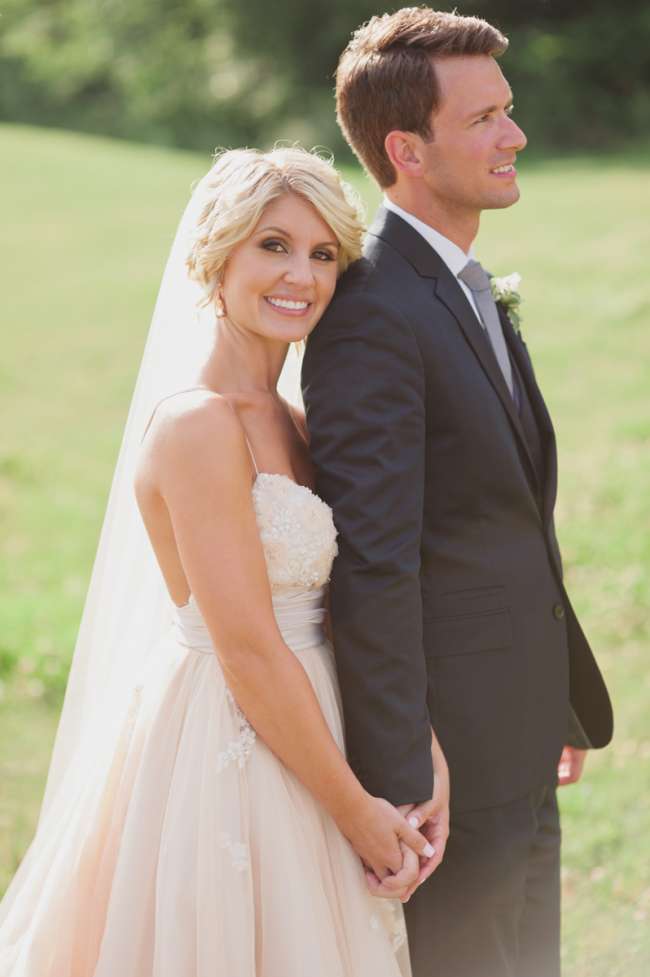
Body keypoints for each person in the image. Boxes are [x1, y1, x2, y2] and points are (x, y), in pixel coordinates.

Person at [0, 147, 440, 976]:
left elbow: (356, 603)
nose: (300, 276)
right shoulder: (198, 427)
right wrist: (354, 810)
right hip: (235, 738)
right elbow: (244, 646)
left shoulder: (296, 418)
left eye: (320, 254)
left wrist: (421, 747)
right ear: (217, 254)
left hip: (323, 717)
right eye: (271, 245)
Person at [302, 9, 614, 977]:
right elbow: (373, 560)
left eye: (507, 111)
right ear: (405, 148)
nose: (513, 135)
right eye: (483, 118)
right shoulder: (371, 312)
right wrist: (402, 775)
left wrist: (552, 698)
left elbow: (500, 517)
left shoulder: (460, 284)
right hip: (448, 765)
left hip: (516, 725)